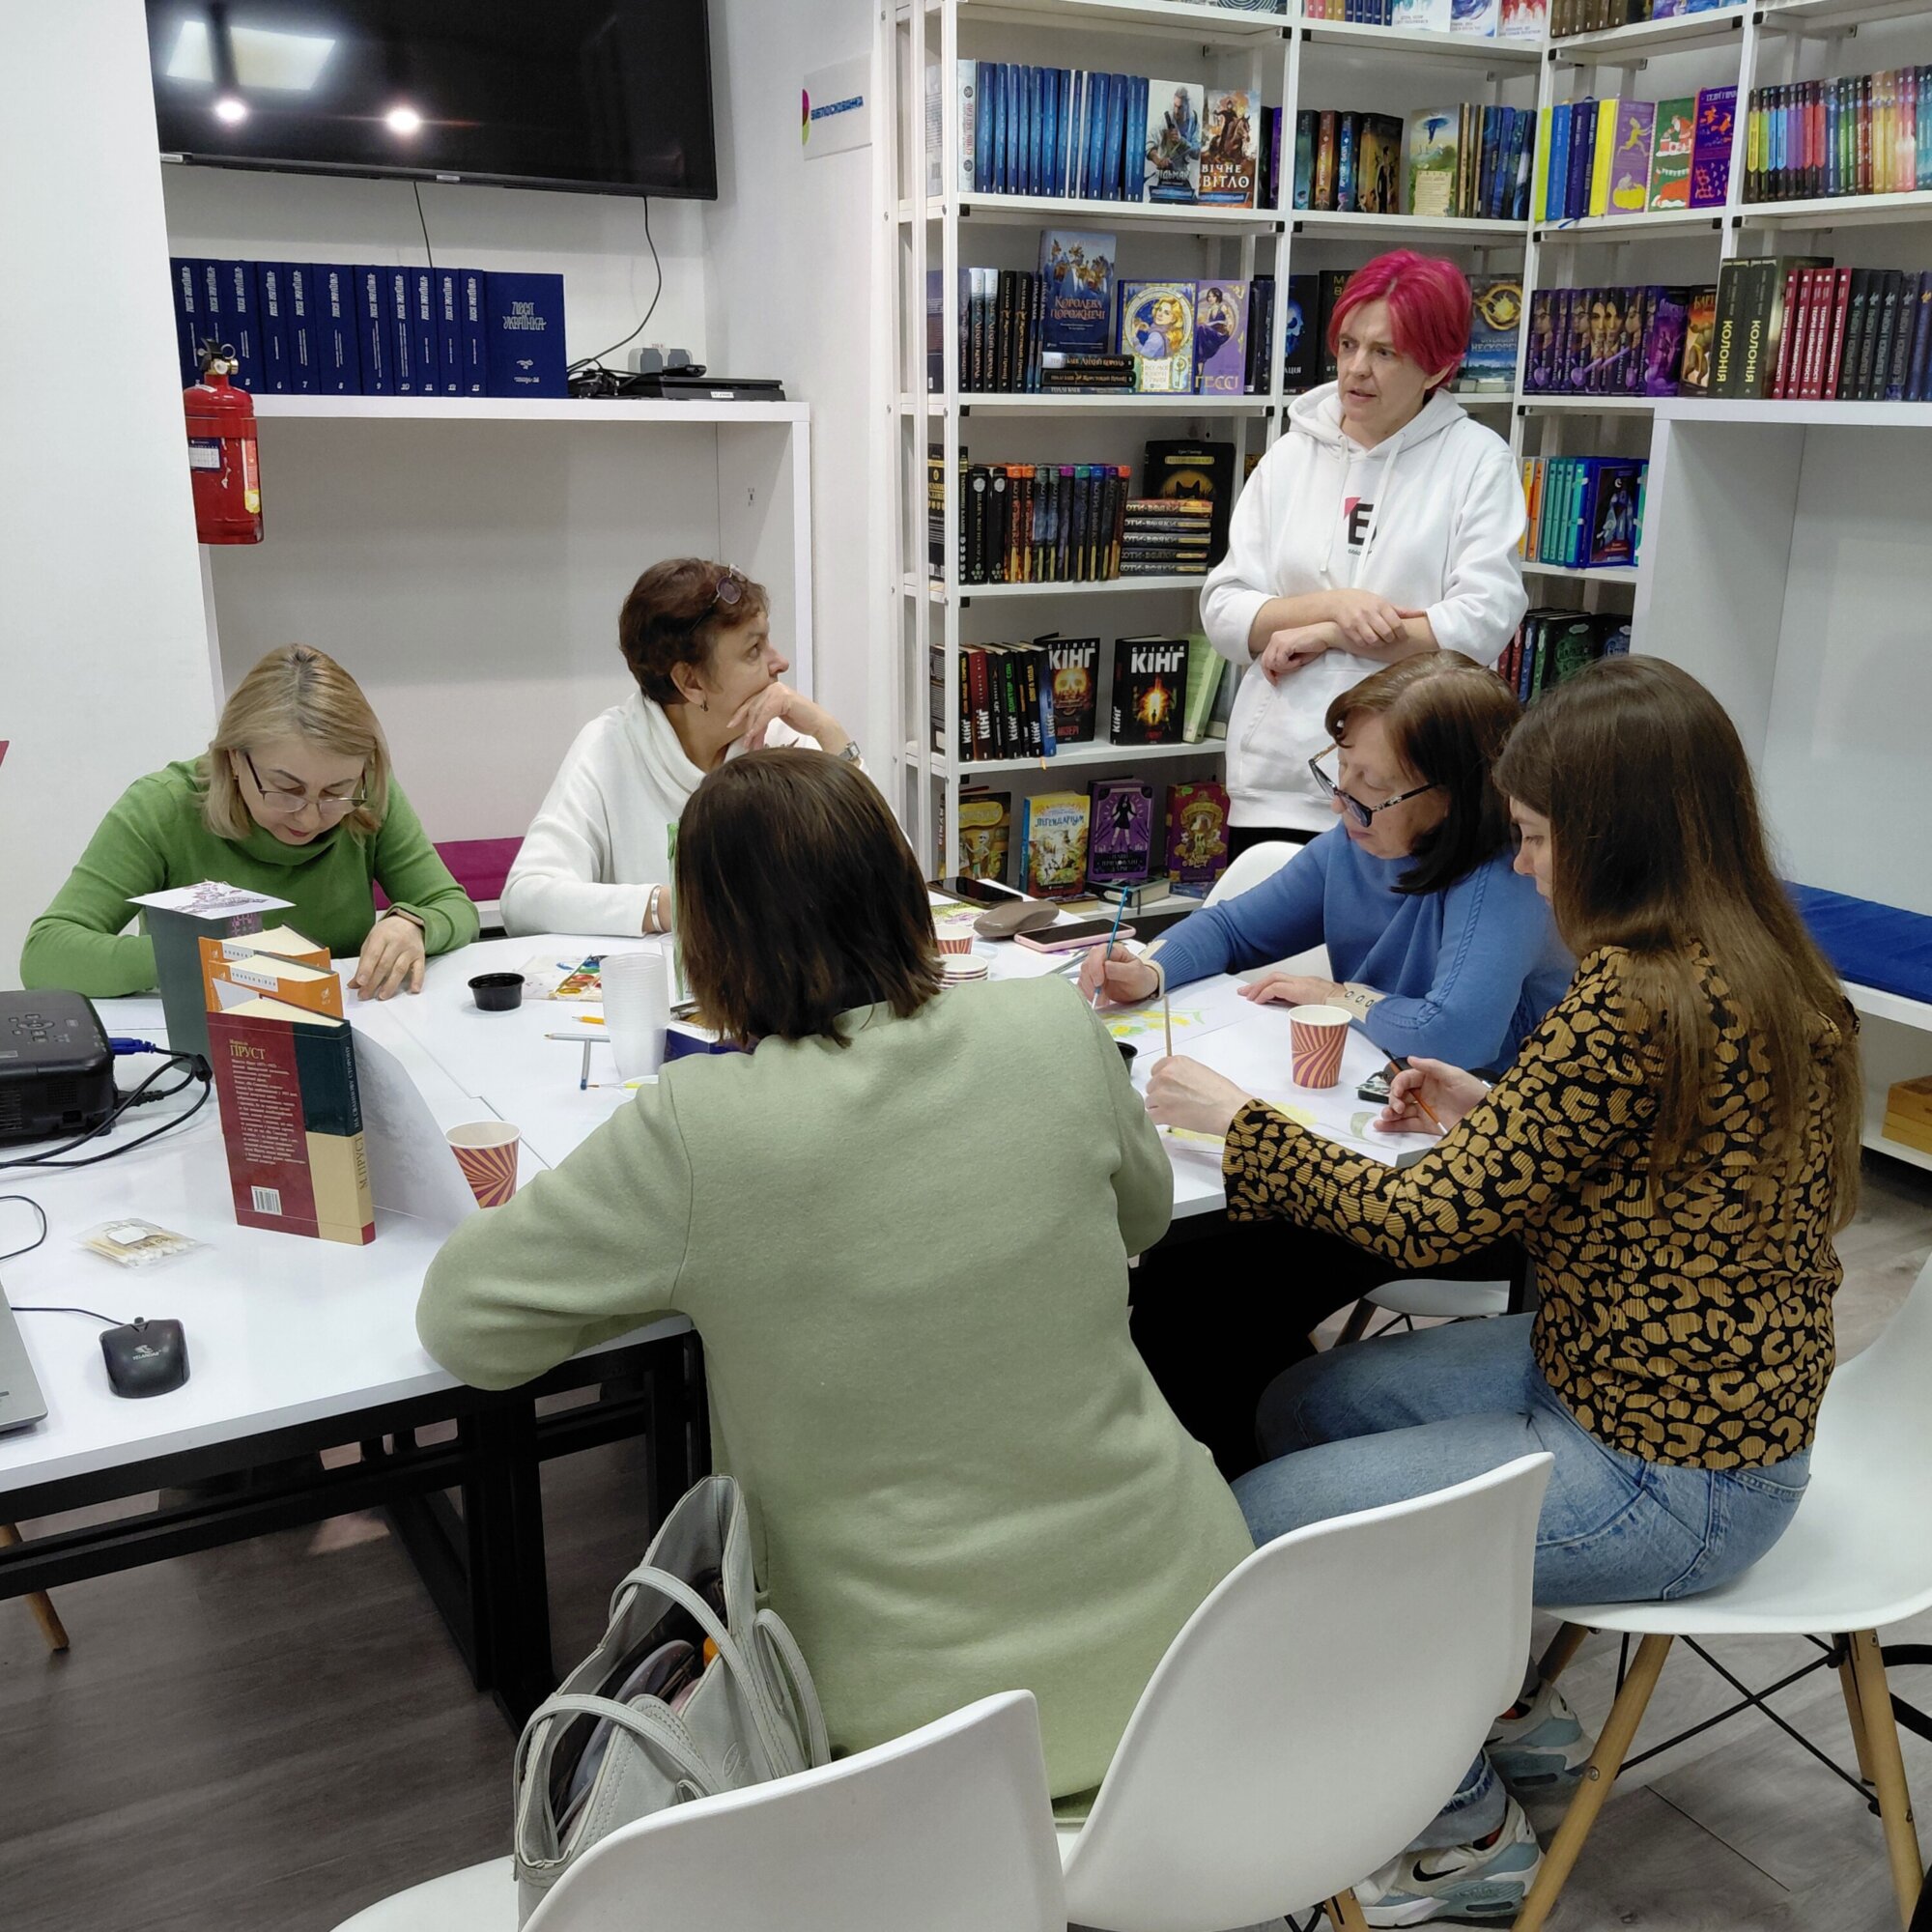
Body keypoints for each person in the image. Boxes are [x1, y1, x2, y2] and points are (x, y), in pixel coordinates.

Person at [1147, 657, 1860, 1923]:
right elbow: (1652, 1171)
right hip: (1665, 1396)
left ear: (1614, 839)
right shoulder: (1762, 963)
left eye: (1533, 836)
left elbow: (1425, 1219)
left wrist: (1238, 1124)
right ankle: (1500, 1709)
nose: (1522, 866)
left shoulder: (1631, 999)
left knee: (1261, 1529)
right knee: (1302, 1404)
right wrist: (1499, 1109)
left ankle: (1458, 1821)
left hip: (1669, 1471)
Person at [419, 751, 1253, 1804]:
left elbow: (466, 1324)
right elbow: (1141, 1216)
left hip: (920, 1737)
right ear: (904, 892)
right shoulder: (1050, 1026)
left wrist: (678, 1277)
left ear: (707, 943)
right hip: (1201, 1649)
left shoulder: (701, 1130)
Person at [1078, 653, 1571, 1073]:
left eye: (1373, 785)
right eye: (1340, 767)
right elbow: (1231, 929)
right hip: (1384, 1081)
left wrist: (1335, 996)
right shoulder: (1357, 842)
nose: (1340, 803)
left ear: (1455, 797)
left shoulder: (1514, 877)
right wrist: (1150, 970)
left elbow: (1453, 1037)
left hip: (1491, 1119)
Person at [1201, 250, 1527, 858]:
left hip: (1409, 789)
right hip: (1277, 781)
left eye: (1385, 353)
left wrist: (1328, 634)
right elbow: (1224, 612)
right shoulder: (1290, 455)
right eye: (1348, 345)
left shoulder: (1479, 461)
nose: (1356, 369)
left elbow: (1479, 625)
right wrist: (1336, 607)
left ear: (1438, 367)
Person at [21, 644, 476, 1000]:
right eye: (286, 788)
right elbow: (46, 954)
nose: (311, 815)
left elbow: (451, 906)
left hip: (347, 1027)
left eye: (335, 791)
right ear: (235, 759)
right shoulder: (161, 807)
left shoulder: (367, 795)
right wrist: (207, 956)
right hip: (214, 1043)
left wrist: (413, 924)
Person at [500, 557, 861, 940]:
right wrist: (678, 906)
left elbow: (887, 872)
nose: (781, 663)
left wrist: (828, 731)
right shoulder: (610, 747)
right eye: (754, 649)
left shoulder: (779, 732)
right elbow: (524, 900)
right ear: (691, 682)